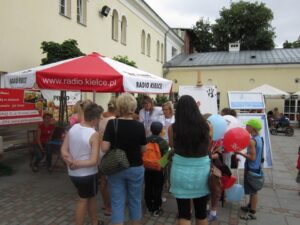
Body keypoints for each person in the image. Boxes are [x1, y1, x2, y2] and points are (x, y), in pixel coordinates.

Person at [101, 93, 146, 225]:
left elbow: (104, 148)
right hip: (136, 167)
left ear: (119, 106)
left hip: (116, 167)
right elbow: (143, 149)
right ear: (133, 107)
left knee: (117, 202)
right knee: (135, 201)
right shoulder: (139, 126)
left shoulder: (112, 123)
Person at [168, 95, 210, 225]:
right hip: (202, 172)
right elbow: (207, 147)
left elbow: (172, 145)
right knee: (202, 214)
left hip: (180, 170)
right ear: (195, 108)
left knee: (184, 214)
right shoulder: (207, 126)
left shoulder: (173, 128)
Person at [61, 103, 104, 225]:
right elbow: (94, 160)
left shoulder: (73, 128)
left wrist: (70, 161)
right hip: (88, 174)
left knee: (90, 197)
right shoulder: (94, 134)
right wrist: (76, 163)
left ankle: (94, 221)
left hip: (73, 173)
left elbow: (63, 149)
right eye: (99, 118)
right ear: (95, 119)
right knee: (83, 200)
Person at [234, 118, 263, 220]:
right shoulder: (259, 138)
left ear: (252, 128)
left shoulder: (252, 141)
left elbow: (252, 157)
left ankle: (252, 213)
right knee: (252, 190)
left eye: (247, 125)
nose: (246, 127)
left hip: (252, 168)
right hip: (256, 167)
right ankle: (250, 206)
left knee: (254, 191)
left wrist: (240, 153)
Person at [144, 121, 169, 217]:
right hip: (158, 169)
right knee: (158, 188)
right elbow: (166, 158)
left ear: (151, 130)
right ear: (161, 131)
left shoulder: (146, 139)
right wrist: (161, 167)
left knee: (148, 186)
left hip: (147, 167)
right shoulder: (163, 142)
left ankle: (149, 206)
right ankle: (156, 208)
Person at [98, 99, 117, 216]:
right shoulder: (114, 120)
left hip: (101, 150)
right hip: (109, 151)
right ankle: (108, 207)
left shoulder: (101, 117)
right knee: (109, 181)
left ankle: (105, 204)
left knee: (103, 180)